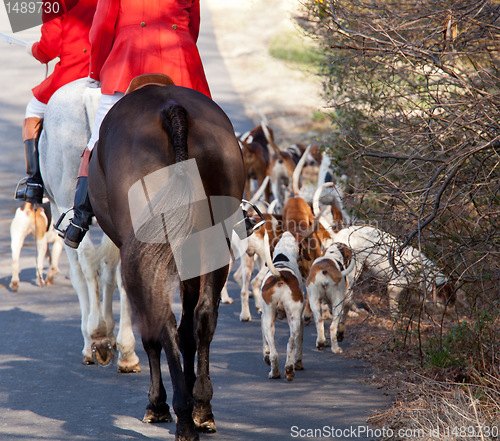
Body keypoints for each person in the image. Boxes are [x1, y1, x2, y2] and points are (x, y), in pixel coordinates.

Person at [59, 0, 212, 249]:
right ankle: (237, 208)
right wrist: (182, 51)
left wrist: (95, 71)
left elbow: (102, 28)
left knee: (97, 140)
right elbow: (193, 23)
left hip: (128, 61)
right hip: (180, 60)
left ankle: (79, 219)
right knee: (211, 133)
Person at [15, 0, 98, 204]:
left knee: (33, 108)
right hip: (103, 70)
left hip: (72, 73)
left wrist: (32, 49)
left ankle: (34, 182)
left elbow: (48, 49)